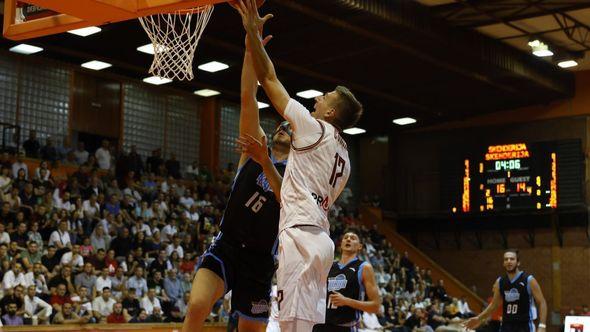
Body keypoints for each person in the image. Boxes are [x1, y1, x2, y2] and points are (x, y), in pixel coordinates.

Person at [234, 1, 363, 330]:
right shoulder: (345, 158)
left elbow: (270, 80)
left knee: (290, 326)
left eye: (326, 96)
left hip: (301, 239)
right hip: (320, 241)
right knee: (301, 326)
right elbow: (289, 192)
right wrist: (264, 161)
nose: (319, 97)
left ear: (331, 113)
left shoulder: (314, 129)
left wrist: (251, 31)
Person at [182, 23, 289, 332]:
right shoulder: (255, 146)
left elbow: (287, 201)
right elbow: (247, 97)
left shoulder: (297, 175)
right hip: (228, 244)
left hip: (260, 262)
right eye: (282, 125)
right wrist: (249, 51)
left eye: (289, 128)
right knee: (197, 305)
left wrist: (266, 162)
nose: (284, 127)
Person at [464, 249, 547, 332]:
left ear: (518, 263)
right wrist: (479, 318)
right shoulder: (500, 282)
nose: (509, 261)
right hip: (506, 326)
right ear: (503, 263)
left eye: (512, 259)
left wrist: (542, 325)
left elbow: (542, 302)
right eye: (506, 259)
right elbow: (494, 305)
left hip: (524, 326)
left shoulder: (529, 280)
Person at [313, 232, 381, 331]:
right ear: (341, 244)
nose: (348, 239)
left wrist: (346, 301)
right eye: (345, 238)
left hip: (345, 327)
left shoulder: (364, 267)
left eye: (353, 238)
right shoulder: (329, 266)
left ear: (359, 246)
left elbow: (375, 306)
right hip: (320, 325)